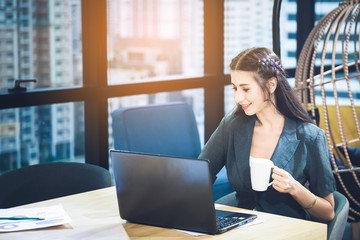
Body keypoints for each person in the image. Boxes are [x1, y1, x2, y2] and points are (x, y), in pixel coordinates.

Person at [199, 47, 335, 222]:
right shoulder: (231, 126)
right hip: (239, 228)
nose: (238, 98)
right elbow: (199, 176)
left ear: (271, 85)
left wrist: (295, 188)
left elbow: (329, 212)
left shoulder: (310, 137)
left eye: (246, 89)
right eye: (235, 88)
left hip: (286, 231)